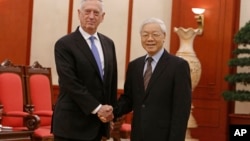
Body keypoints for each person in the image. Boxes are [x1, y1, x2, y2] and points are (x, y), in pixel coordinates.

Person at [114, 18, 192, 141]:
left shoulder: (178, 66)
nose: (150, 39)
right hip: (138, 135)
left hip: (164, 136)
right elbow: (128, 100)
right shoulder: (134, 66)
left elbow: (181, 110)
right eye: (145, 35)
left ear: (164, 36)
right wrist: (110, 111)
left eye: (155, 35)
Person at [51, 0, 117, 141]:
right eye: (87, 12)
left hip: (97, 125)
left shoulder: (109, 44)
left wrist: (110, 114)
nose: (91, 16)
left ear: (102, 17)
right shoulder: (64, 44)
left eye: (96, 13)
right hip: (71, 125)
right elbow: (70, 82)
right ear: (79, 14)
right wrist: (97, 108)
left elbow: (111, 81)